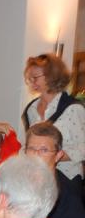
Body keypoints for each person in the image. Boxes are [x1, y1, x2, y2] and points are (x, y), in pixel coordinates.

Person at [22, 53, 85, 188]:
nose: (32, 82)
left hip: (66, 179)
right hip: (38, 178)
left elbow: (82, 147)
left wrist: (52, 156)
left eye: (35, 77)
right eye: (29, 78)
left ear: (52, 76)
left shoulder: (73, 108)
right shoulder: (31, 109)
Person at [25, 122, 85, 218]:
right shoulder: (18, 183)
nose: (36, 155)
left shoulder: (68, 196)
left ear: (58, 155)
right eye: (31, 149)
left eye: (44, 150)